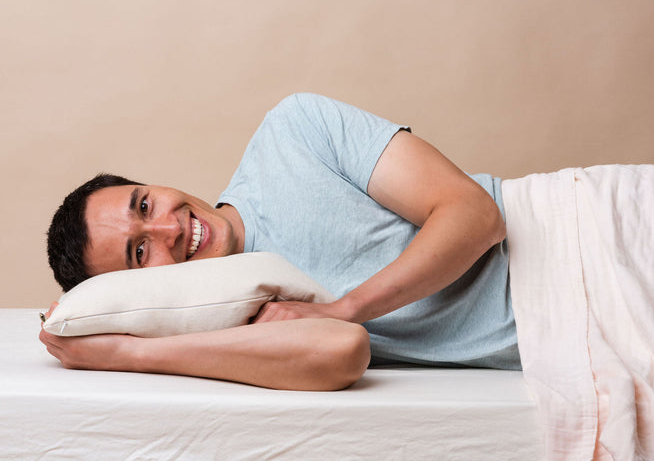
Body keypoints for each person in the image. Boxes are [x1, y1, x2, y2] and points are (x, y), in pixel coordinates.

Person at [40, 93, 519, 391]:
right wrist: (127, 353)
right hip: (552, 335)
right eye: (140, 253)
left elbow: (476, 214)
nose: (172, 228)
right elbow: (341, 353)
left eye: (145, 205)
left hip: (570, 231)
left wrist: (343, 307)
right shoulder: (225, 317)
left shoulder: (293, 130)